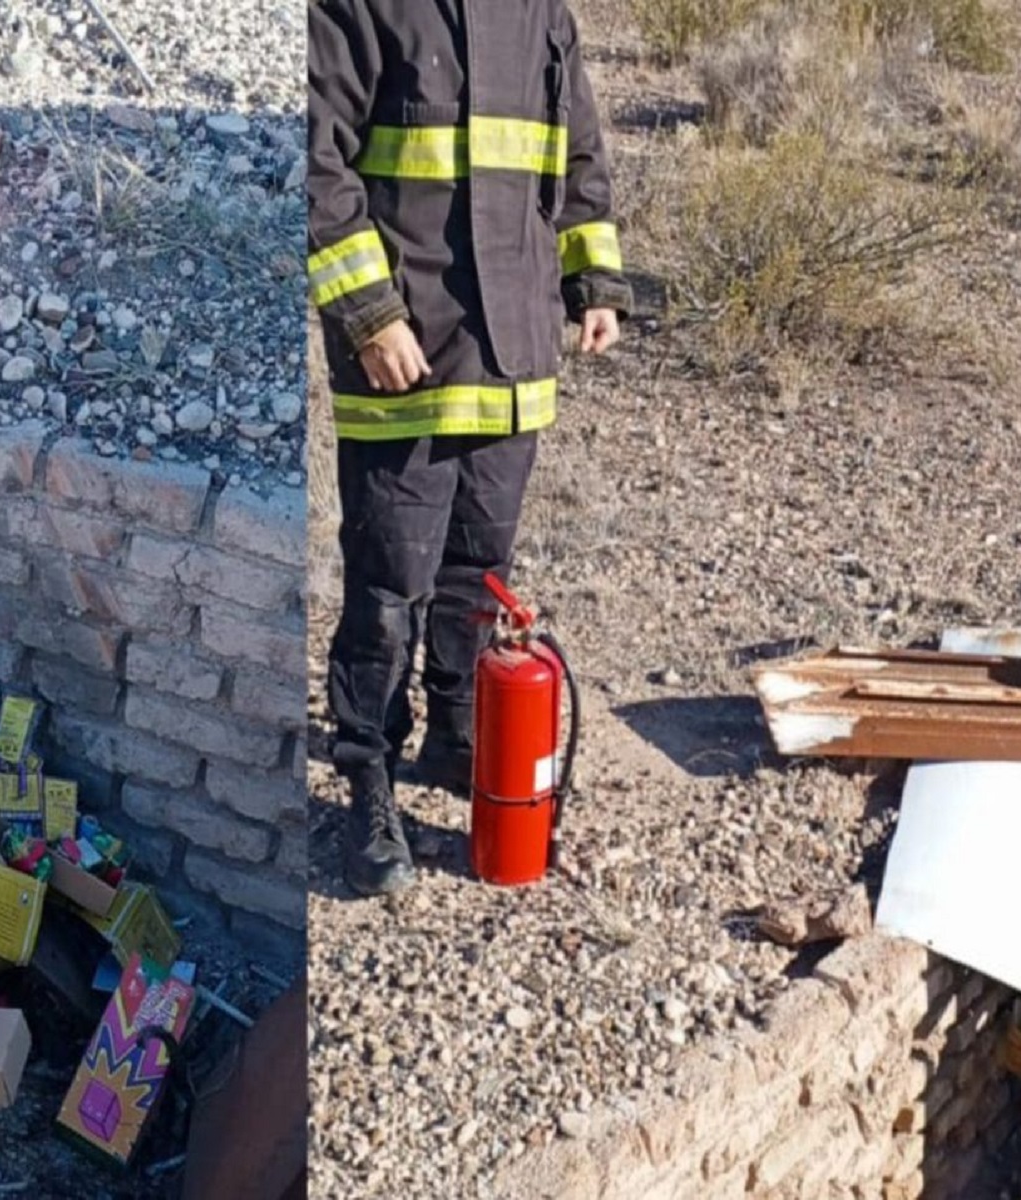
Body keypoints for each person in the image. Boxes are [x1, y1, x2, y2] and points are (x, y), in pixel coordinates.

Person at [308, 0, 632, 896]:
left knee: (479, 565)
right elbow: (316, 160)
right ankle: (367, 776)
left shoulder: (542, 15)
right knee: (387, 586)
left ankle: (456, 732)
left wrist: (591, 279)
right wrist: (370, 316)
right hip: (405, 352)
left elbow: (580, 154)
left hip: (512, 346)